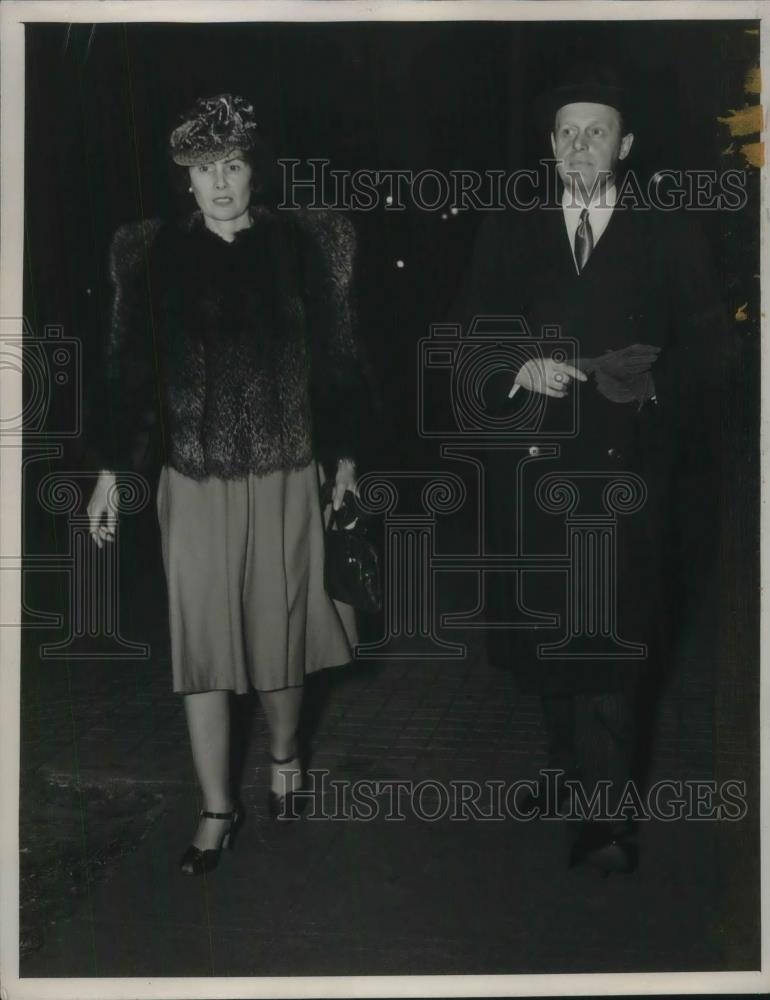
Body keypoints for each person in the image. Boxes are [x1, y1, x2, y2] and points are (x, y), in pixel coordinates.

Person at [86, 94, 372, 875]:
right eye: (205, 169)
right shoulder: (148, 257)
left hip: (287, 472)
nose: (220, 183)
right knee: (203, 644)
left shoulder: (307, 247)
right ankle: (216, 806)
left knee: (280, 635)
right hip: (194, 478)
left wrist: (345, 455)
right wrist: (113, 470)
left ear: (256, 170)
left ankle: (284, 753)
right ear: (185, 178)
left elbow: (341, 363)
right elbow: (129, 375)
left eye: (234, 166)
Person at [452, 67, 727, 872]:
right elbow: (467, 329)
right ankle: (572, 775)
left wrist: (651, 387)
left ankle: (608, 819)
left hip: (625, 474)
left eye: (595, 131)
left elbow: (717, 350)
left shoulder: (667, 233)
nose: (578, 145)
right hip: (533, 471)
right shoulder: (510, 228)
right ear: (550, 145)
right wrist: (514, 366)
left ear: (625, 146)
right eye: (566, 132)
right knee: (549, 634)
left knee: (607, 638)